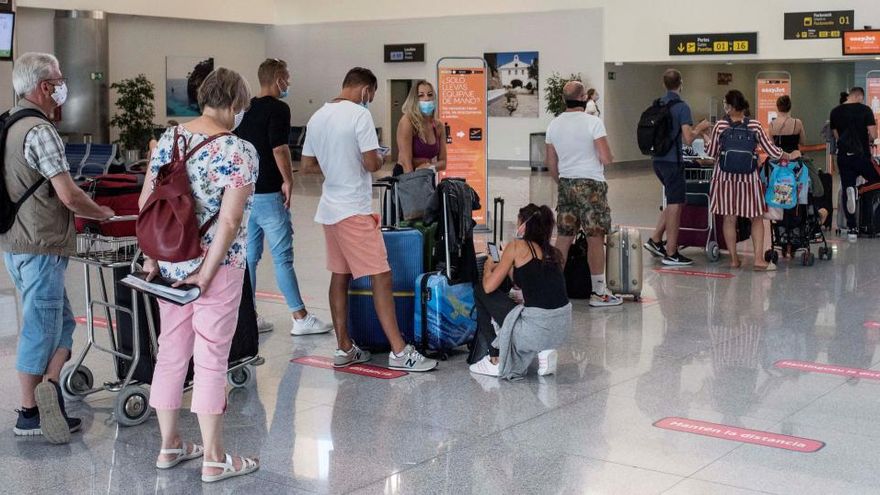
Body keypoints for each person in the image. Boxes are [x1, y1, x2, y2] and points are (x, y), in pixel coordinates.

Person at [139, 68, 260, 482]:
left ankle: (170, 446)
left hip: (170, 262)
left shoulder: (169, 139)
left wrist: (152, 258)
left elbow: (148, 203)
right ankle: (214, 457)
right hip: (218, 268)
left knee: (171, 352)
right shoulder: (238, 149)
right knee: (211, 359)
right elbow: (228, 222)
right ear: (232, 104)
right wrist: (207, 275)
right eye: (241, 106)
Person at [2, 52, 115, 444]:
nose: (63, 86)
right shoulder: (40, 130)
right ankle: (30, 411)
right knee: (38, 326)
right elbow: (67, 194)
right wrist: (99, 211)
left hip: (16, 242)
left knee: (61, 323)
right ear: (45, 87)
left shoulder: (9, 123)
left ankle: (50, 384)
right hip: (41, 243)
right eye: (60, 79)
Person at [301, 67, 437, 372]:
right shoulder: (359, 116)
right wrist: (372, 158)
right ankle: (400, 352)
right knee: (381, 275)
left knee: (340, 275)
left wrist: (336, 165)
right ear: (365, 90)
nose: (369, 101)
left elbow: (307, 165)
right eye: (371, 96)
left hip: (330, 209)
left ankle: (344, 347)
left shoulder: (318, 116)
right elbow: (372, 162)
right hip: (354, 209)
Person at [234, 58, 331, 336]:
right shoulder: (279, 108)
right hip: (268, 194)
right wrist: (288, 179)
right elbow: (279, 148)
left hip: (248, 194)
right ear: (277, 78)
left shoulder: (246, 108)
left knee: (250, 256)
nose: (288, 83)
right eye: (286, 78)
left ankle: (248, 315)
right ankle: (299, 316)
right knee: (282, 257)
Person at [469, 204, 572, 379]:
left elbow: (488, 287)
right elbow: (525, 283)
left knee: (480, 291)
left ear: (524, 225)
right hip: (561, 327)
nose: (517, 228)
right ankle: (544, 349)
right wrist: (505, 264)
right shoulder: (553, 253)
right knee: (522, 303)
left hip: (537, 328)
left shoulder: (517, 246)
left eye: (518, 223)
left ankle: (495, 357)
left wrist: (488, 268)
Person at [545, 80, 621, 307]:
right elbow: (606, 158)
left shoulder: (554, 125)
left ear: (563, 100)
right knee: (595, 237)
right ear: (583, 98)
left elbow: (551, 165)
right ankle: (598, 292)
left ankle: (554, 290)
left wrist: (566, 180)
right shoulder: (593, 123)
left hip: (566, 185)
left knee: (564, 237)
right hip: (592, 186)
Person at [707, 90, 799, 270]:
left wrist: (703, 136)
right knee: (756, 218)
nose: (725, 108)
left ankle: (734, 260)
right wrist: (790, 155)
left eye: (726, 105)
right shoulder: (755, 126)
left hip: (724, 179)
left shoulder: (720, 126)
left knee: (729, 218)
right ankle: (758, 260)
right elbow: (772, 151)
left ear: (731, 107)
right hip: (748, 180)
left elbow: (711, 153)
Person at [643, 69, 712, 266]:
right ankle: (672, 252)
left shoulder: (658, 104)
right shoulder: (682, 107)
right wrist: (700, 127)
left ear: (663, 84)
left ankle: (656, 239)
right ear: (681, 83)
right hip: (673, 161)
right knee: (675, 204)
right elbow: (688, 138)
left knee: (678, 200)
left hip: (657, 159)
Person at [769, 95, 828, 227]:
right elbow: (802, 141)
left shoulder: (772, 125)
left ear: (777, 107)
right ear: (790, 107)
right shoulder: (797, 123)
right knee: (811, 182)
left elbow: (772, 146)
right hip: (796, 161)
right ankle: (812, 212)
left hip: (780, 163)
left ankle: (782, 216)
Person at [830, 86, 879, 242]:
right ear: (860, 97)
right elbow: (873, 135)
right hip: (862, 156)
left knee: (846, 187)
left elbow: (837, 136)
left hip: (843, 157)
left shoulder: (835, 112)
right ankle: (860, 190)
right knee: (877, 179)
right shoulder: (865, 110)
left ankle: (852, 229)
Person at [393, 79, 447, 176]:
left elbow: (443, 163)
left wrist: (431, 167)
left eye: (430, 95)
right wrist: (413, 186)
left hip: (426, 177)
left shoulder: (438, 126)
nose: (426, 99)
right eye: (421, 95)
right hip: (406, 177)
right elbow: (406, 163)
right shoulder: (407, 121)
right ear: (414, 99)